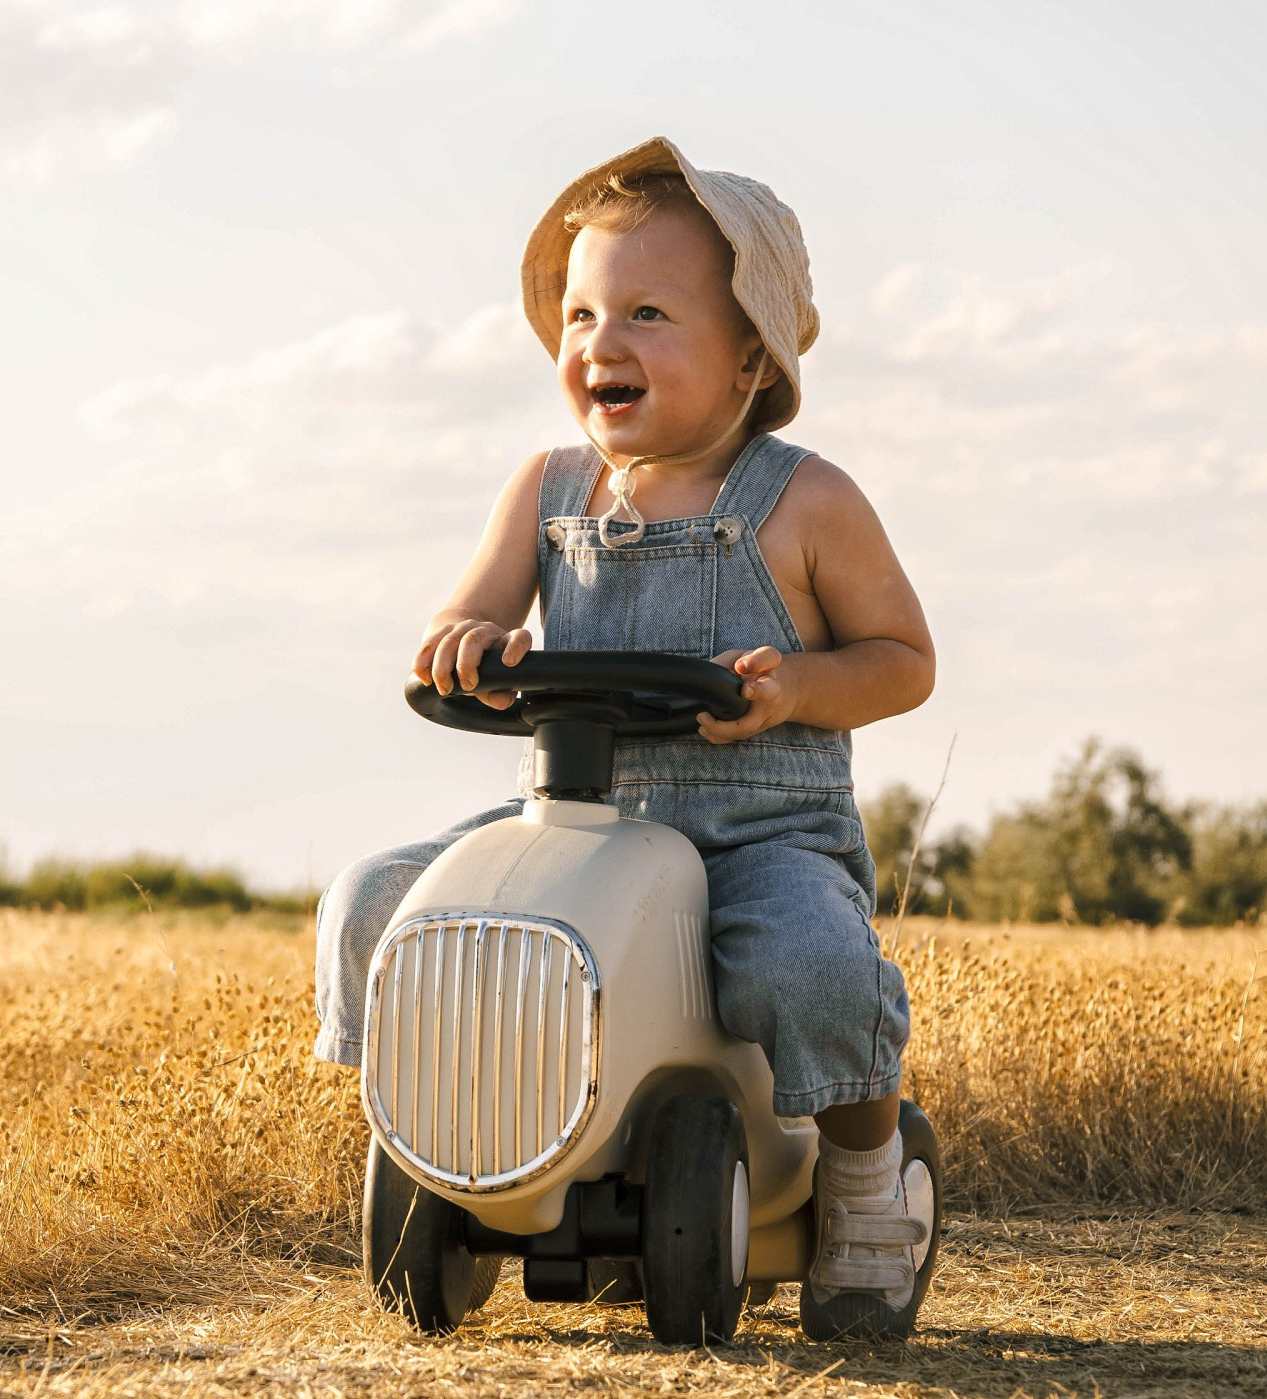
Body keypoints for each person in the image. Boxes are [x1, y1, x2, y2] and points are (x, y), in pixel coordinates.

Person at [313, 138, 938, 1341]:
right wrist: (462, 643)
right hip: (574, 823)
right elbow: (469, 614)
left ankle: (863, 1185)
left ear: (751, 354)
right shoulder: (546, 488)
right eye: (583, 312)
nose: (602, 339)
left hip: (757, 830)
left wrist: (799, 684)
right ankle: (448, 1129)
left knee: (811, 965)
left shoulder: (804, 500)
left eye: (648, 312)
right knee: (376, 899)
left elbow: (903, 662)